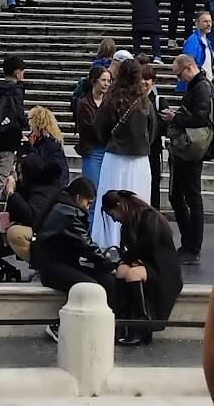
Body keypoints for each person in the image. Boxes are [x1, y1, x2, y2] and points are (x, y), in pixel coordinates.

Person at [34, 177, 116, 342]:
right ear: (78, 197)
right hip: (54, 268)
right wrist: (108, 263)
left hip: (57, 263)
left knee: (102, 279)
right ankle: (59, 327)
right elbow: (85, 244)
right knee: (90, 288)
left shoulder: (64, 207)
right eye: (88, 202)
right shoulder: (68, 214)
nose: (88, 207)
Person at [102, 190, 183, 346]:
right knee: (122, 271)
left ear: (119, 207)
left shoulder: (149, 217)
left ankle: (142, 328)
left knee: (132, 274)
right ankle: (123, 324)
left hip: (164, 268)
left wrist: (127, 259)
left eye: (112, 215)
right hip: (147, 263)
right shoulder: (128, 223)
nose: (114, 220)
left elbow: (147, 246)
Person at [91, 59, 156, 249]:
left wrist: (111, 142)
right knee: (139, 201)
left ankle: (108, 241)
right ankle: (137, 240)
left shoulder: (110, 100)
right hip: (139, 160)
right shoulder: (145, 102)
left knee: (112, 199)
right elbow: (152, 132)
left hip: (114, 158)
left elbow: (100, 128)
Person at [166, 55, 212, 264]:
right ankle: (189, 243)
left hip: (193, 149)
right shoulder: (197, 86)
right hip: (188, 148)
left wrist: (175, 117)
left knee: (191, 195)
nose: (179, 80)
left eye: (179, 74)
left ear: (188, 67)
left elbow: (200, 118)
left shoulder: (201, 87)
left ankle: (193, 246)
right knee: (179, 195)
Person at [0, 55, 27, 207]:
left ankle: (12, 207)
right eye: (22, 71)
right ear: (16, 72)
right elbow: (19, 114)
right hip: (9, 138)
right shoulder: (16, 89)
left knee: (9, 172)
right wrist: (24, 123)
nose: (23, 75)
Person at [5, 154, 59, 262]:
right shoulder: (39, 187)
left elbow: (31, 216)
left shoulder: (43, 191)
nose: (20, 177)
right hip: (47, 232)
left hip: (50, 234)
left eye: (21, 173)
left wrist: (11, 193)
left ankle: (43, 265)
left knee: (15, 233)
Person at [76, 66, 112, 227]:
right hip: (93, 150)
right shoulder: (84, 103)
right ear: (94, 81)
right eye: (103, 80)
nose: (106, 84)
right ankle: (88, 235)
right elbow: (90, 129)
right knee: (91, 194)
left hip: (109, 150)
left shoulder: (110, 101)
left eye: (109, 81)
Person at [140, 63, 169, 210]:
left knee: (153, 186)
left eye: (147, 79)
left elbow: (165, 126)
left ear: (153, 81)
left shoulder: (159, 102)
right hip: (137, 151)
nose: (144, 82)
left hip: (153, 151)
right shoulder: (133, 100)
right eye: (141, 78)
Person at [26, 105, 69, 188]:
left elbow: (38, 161)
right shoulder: (53, 140)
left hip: (53, 182)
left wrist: (29, 147)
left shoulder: (48, 143)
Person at [180, 11, 214, 92]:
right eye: (205, 21)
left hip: (205, 83)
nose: (208, 24)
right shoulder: (193, 40)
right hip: (196, 85)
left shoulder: (207, 42)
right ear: (197, 23)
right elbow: (188, 64)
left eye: (210, 21)